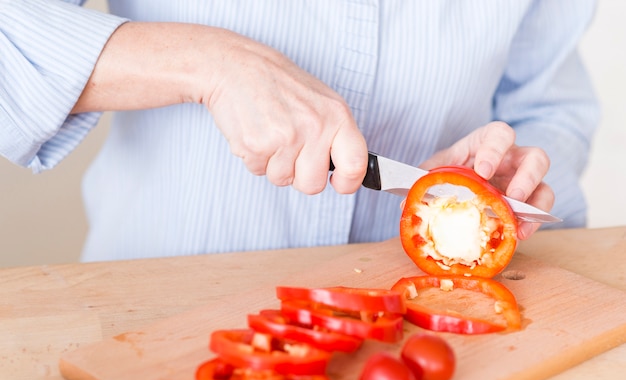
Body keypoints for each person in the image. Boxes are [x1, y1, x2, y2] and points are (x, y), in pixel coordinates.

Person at [0, 0, 599, 262]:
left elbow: (549, 104)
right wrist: (213, 63)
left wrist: (506, 175)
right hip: (159, 295)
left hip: (418, 328)